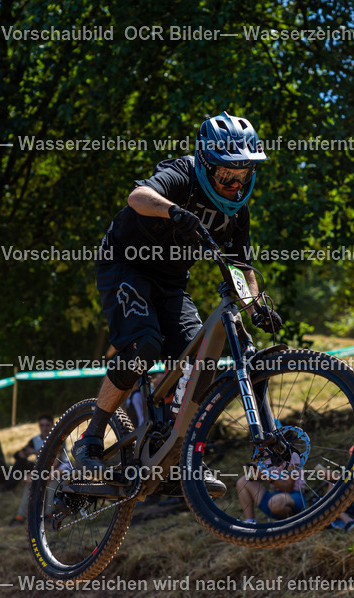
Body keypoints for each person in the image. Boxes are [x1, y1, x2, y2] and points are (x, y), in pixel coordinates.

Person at [72, 111, 279, 500]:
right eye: (226, 176)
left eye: (244, 175)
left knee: (200, 355)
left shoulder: (236, 212)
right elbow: (137, 197)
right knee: (144, 345)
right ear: (205, 164)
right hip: (126, 264)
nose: (235, 185)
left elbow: (241, 267)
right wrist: (173, 210)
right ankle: (92, 437)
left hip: (170, 284)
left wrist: (255, 308)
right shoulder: (182, 174)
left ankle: (171, 453)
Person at [9, 414, 54, 526]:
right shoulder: (35, 440)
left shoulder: (56, 438)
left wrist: (36, 452)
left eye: (47, 425)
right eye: (42, 425)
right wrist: (29, 452)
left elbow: (58, 460)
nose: (44, 428)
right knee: (27, 476)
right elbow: (19, 454)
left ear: (52, 425)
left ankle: (49, 515)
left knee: (51, 482)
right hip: (41, 470)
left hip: (55, 470)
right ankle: (20, 516)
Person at [236, 452, 306, 522]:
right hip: (274, 498)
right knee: (243, 481)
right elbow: (252, 477)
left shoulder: (292, 455)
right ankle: (250, 522)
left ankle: (295, 524)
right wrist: (254, 470)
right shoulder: (265, 456)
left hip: (294, 497)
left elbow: (288, 488)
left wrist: (267, 476)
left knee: (276, 502)